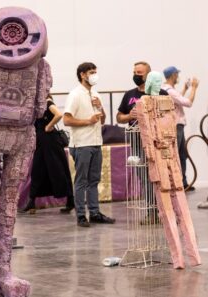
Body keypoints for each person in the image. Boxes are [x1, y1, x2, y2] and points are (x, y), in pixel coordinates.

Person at [63, 62, 115, 227]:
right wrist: (88, 121)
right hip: (81, 143)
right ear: (82, 75)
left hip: (96, 142)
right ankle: (80, 215)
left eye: (95, 72)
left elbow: (102, 120)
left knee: (94, 180)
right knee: (81, 180)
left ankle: (94, 212)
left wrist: (101, 109)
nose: (94, 75)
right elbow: (66, 119)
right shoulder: (75, 94)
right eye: (91, 72)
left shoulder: (95, 94)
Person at [116, 61, 168, 225]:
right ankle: (151, 212)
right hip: (137, 141)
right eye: (134, 72)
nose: (136, 75)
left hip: (156, 141)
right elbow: (119, 117)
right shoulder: (129, 95)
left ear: (149, 75)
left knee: (161, 177)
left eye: (139, 72)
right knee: (145, 178)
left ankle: (165, 212)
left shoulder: (162, 93)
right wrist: (130, 116)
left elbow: (168, 117)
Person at [20, 94, 75, 214]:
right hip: (41, 142)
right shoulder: (37, 104)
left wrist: (49, 126)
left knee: (59, 170)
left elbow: (59, 114)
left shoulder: (47, 101)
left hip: (51, 142)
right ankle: (32, 202)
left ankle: (71, 200)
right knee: (37, 170)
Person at [162, 66, 200, 191]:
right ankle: (177, 183)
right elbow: (188, 103)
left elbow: (177, 100)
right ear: (173, 75)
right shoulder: (170, 91)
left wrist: (185, 88)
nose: (178, 76)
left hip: (177, 125)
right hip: (176, 125)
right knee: (177, 155)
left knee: (182, 154)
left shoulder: (167, 89)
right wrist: (194, 88)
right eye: (177, 74)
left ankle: (183, 182)